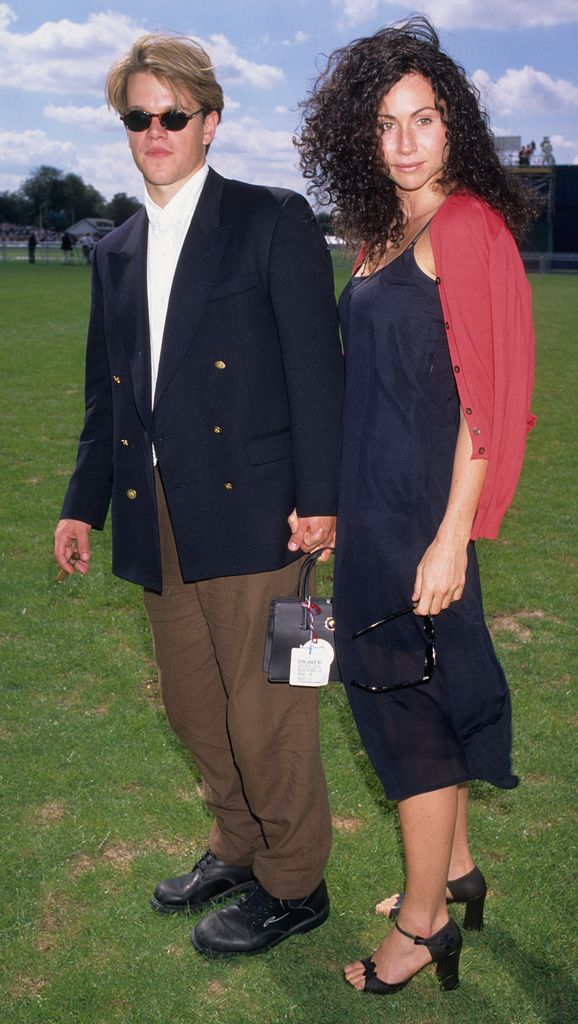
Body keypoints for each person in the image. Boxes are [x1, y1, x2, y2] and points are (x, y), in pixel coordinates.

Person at [54, 33, 344, 957]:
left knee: (269, 710)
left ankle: (296, 885)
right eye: (138, 116)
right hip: (159, 518)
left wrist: (322, 498)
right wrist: (79, 504)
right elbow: (112, 396)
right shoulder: (116, 249)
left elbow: (317, 375)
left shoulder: (271, 219)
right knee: (192, 704)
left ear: (210, 121)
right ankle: (238, 846)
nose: (155, 131)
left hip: (263, 515)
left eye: (172, 114)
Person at [298, 16, 535, 996]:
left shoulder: (466, 226)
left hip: (417, 520)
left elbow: (485, 401)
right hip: (370, 505)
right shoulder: (381, 231)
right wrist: (330, 506)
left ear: (452, 127)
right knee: (418, 694)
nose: (403, 141)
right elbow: (372, 387)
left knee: (404, 719)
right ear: (360, 135)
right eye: (386, 123)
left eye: (423, 119)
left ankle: (423, 922)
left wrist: (447, 539)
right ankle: (456, 868)